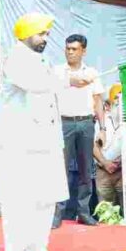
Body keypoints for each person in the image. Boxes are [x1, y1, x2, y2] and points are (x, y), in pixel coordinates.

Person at [0, 12, 92, 251]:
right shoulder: (14, 57)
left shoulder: (41, 59)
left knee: (44, 201)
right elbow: (35, 84)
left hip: (44, 142)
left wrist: (67, 81)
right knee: (20, 203)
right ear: (26, 33)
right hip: (20, 145)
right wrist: (69, 80)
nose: (46, 39)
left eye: (48, 34)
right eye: (41, 33)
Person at [53, 34, 104, 228]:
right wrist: (73, 79)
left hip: (85, 123)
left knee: (85, 170)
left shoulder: (92, 73)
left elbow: (98, 101)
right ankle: (57, 214)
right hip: (63, 123)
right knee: (60, 171)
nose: (70, 52)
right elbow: (50, 88)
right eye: (68, 48)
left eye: (74, 49)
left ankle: (84, 213)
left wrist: (103, 128)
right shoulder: (57, 71)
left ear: (84, 51)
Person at [93, 84, 124, 211]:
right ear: (108, 105)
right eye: (116, 100)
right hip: (103, 173)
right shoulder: (102, 122)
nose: (120, 103)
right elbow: (93, 145)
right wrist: (105, 163)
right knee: (106, 212)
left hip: (123, 172)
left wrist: (121, 162)